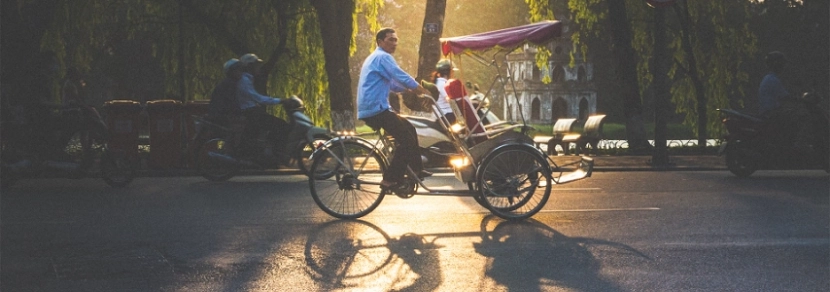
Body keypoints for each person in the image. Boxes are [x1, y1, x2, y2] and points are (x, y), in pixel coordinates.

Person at [357, 27, 432, 191]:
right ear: (380, 42)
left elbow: (392, 83)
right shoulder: (383, 57)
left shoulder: (376, 58)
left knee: (410, 129)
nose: (394, 43)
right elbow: (401, 75)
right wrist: (421, 90)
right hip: (376, 109)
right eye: (390, 39)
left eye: (396, 40)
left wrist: (408, 89)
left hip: (375, 108)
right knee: (406, 141)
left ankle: (416, 170)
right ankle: (390, 180)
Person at [236, 53, 290, 161]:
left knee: (272, 127)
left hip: (252, 111)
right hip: (251, 113)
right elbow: (258, 98)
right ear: (249, 66)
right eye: (256, 65)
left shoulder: (247, 79)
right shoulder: (244, 81)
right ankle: (274, 154)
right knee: (282, 125)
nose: (258, 68)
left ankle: (267, 152)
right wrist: (280, 100)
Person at [758, 51, 789, 116]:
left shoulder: (768, 78)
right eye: (782, 64)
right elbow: (786, 97)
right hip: (770, 114)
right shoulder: (772, 80)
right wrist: (801, 100)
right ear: (776, 64)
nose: (783, 67)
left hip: (767, 113)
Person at [431, 59, 457, 124]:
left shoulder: (441, 82)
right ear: (447, 72)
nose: (453, 74)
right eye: (452, 71)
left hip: (446, 113)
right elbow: (449, 99)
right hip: (444, 114)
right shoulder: (442, 84)